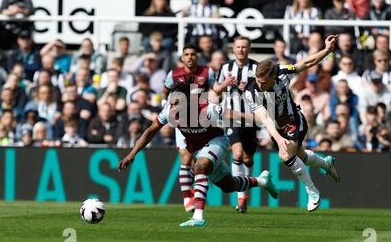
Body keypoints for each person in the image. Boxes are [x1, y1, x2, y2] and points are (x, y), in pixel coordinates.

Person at [118, 81, 279, 227]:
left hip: (218, 142)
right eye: (171, 103)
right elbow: (150, 131)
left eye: (176, 104)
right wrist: (132, 154)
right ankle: (262, 181)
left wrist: (262, 119)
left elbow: (235, 115)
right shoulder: (169, 112)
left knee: (201, 166)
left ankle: (198, 216)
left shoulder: (206, 109)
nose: (172, 108)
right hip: (198, 149)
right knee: (229, 186)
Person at [244, 35, 340, 212]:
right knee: (300, 156)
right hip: (276, 127)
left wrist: (326, 51)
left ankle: (312, 192)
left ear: (273, 77)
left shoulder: (283, 72)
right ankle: (326, 164)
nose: (259, 84)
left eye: (263, 82)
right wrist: (279, 138)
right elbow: (264, 118)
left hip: (293, 119)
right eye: (257, 80)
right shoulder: (251, 92)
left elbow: (307, 62)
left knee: (286, 155)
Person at [161, 43, 217, 213]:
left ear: (197, 56)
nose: (190, 57)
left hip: (203, 121)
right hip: (183, 120)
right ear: (182, 57)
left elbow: (216, 91)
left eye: (193, 54)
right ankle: (187, 200)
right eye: (187, 54)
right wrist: (166, 105)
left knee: (199, 162)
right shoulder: (174, 74)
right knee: (185, 157)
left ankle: (194, 191)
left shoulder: (208, 72)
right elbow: (165, 91)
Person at [213, 36, 258, 213]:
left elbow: (265, 88)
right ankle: (240, 197)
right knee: (237, 153)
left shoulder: (256, 68)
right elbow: (216, 90)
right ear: (233, 49)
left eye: (244, 47)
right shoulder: (226, 67)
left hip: (252, 117)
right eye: (238, 47)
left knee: (248, 158)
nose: (241, 50)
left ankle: (244, 193)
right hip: (232, 117)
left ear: (249, 48)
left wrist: (251, 86)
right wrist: (226, 83)